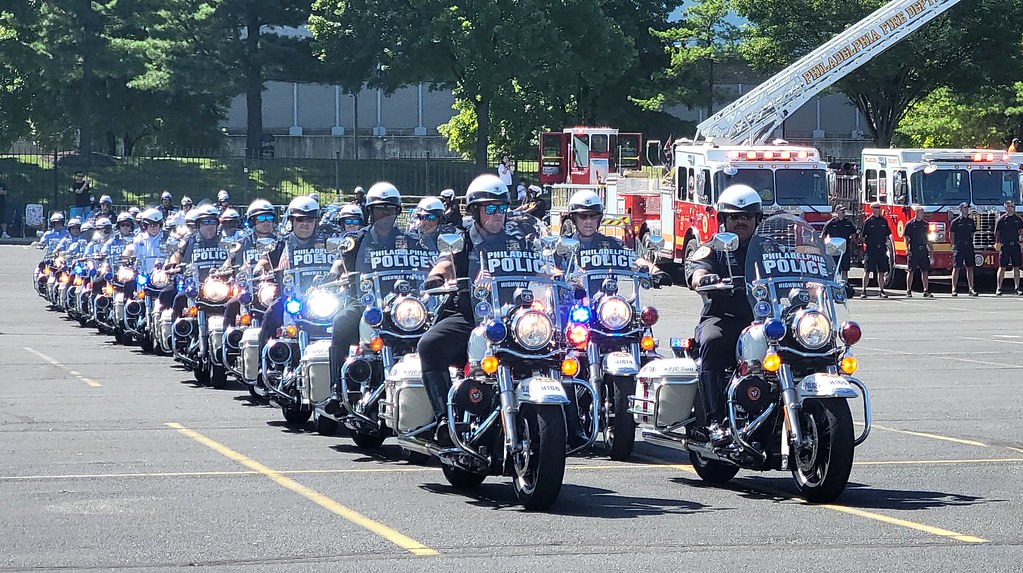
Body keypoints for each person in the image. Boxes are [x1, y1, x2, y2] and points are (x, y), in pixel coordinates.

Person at [416, 174, 539, 436]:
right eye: (491, 208)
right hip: (471, 314)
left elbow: (539, 265)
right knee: (429, 345)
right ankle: (443, 420)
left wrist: (557, 276)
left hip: (511, 318)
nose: (498, 214)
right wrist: (436, 276)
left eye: (502, 208)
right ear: (475, 211)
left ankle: (569, 423)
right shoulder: (461, 239)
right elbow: (446, 261)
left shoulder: (516, 239)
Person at [687, 184, 761, 445]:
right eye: (734, 216)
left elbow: (796, 267)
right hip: (724, 317)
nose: (741, 221)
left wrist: (815, 282)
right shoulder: (714, 248)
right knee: (713, 341)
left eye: (747, 217)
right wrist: (703, 278)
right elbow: (697, 269)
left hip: (766, 320)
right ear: (723, 220)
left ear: (756, 219)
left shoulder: (769, 249)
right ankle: (714, 420)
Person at [327, 182, 412, 362]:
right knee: (341, 321)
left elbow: (424, 263)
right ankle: (337, 385)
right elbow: (340, 260)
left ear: (397, 211)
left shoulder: (407, 239)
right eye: (380, 209)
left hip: (398, 301)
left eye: (390, 209)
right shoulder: (357, 239)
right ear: (370, 212)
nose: (386, 214)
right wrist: (334, 272)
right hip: (364, 300)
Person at [860, 202, 891, 299]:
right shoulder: (868, 222)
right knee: (867, 270)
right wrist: (868, 243)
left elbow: (887, 234)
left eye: (879, 207)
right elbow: (862, 236)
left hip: (881, 249)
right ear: (872, 209)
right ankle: (864, 290)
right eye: (876, 207)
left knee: (881, 271)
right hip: (871, 250)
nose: (878, 209)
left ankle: (881, 290)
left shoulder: (883, 221)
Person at [821, 205, 857, 285]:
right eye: (841, 210)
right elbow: (823, 235)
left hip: (844, 250)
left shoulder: (848, 223)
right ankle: (834, 285)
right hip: (833, 250)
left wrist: (850, 241)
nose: (843, 212)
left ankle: (844, 286)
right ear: (837, 211)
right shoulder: (831, 223)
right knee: (834, 269)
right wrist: (826, 245)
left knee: (845, 269)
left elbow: (854, 234)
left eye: (844, 210)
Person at [949, 202, 979, 296]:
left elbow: (972, 233)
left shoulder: (971, 221)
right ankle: (954, 289)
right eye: (965, 208)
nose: (967, 209)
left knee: (970, 267)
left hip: (969, 246)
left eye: (968, 208)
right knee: (956, 267)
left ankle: (971, 288)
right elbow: (951, 235)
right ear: (961, 209)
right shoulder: (955, 222)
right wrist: (954, 245)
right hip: (959, 246)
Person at [994, 200, 1023, 295]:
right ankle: (999, 288)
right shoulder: (1001, 220)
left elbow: (1021, 231)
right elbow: (997, 233)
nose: (1011, 208)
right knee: (1002, 267)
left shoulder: (1018, 219)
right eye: (1009, 206)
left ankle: (1017, 288)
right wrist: (997, 243)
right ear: (1005, 207)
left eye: (1012, 206)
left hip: (1015, 245)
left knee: (1016, 267)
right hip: (1005, 246)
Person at [903, 205, 933, 297]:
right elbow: (906, 238)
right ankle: (908, 291)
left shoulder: (925, 224)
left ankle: (926, 290)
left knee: (925, 271)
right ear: (916, 213)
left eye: (923, 212)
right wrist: (907, 248)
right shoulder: (910, 224)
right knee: (911, 270)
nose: (922, 214)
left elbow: (928, 238)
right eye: (921, 212)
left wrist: (931, 250)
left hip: (923, 249)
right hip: (914, 249)